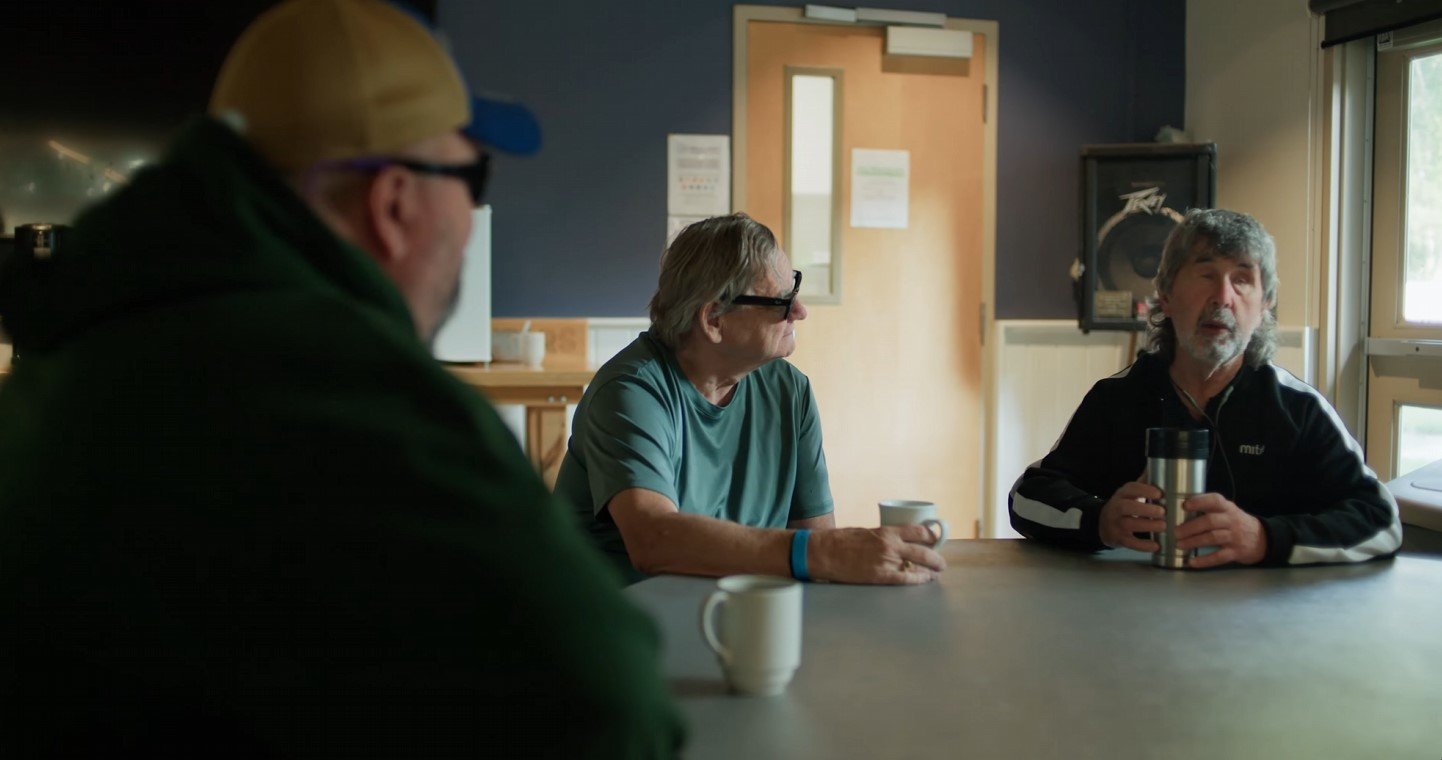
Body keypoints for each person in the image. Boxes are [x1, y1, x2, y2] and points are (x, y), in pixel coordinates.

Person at [0, 1, 683, 756]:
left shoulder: (64, 354)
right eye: (472, 174)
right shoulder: (360, 410)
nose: (473, 213)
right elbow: (612, 709)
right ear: (393, 203)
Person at [556, 213, 947, 585]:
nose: (800, 310)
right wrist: (826, 553)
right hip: (618, 627)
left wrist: (833, 556)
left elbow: (816, 543)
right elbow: (654, 539)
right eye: (780, 301)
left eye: (794, 288)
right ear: (713, 320)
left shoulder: (789, 391)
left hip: (731, 615)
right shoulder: (631, 392)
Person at [1009, 208, 1402, 567]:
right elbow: (1027, 497)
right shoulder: (1118, 398)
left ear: (1264, 304)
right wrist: (1099, 520)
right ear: (1166, 293)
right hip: (1132, 621)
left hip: (1264, 627)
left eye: (1243, 279)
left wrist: (1266, 538)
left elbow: (1381, 520)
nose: (1223, 298)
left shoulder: (1296, 408)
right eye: (1206, 274)